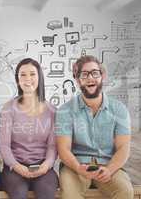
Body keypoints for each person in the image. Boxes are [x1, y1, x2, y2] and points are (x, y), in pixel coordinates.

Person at [55, 55, 134, 199]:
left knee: (125, 191)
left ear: (102, 76)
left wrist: (109, 169)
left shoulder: (119, 109)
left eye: (94, 73)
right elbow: (63, 149)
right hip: (75, 167)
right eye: (84, 74)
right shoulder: (65, 110)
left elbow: (124, 148)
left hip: (109, 165)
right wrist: (79, 168)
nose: (90, 78)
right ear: (77, 80)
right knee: (69, 195)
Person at [0, 58, 58, 199]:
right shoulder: (8, 109)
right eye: (23, 75)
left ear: (39, 77)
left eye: (32, 74)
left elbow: (52, 146)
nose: (28, 79)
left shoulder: (52, 111)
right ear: (18, 80)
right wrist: (17, 166)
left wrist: (46, 165)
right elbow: (4, 145)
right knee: (18, 193)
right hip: (14, 168)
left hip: (43, 167)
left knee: (46, 194)